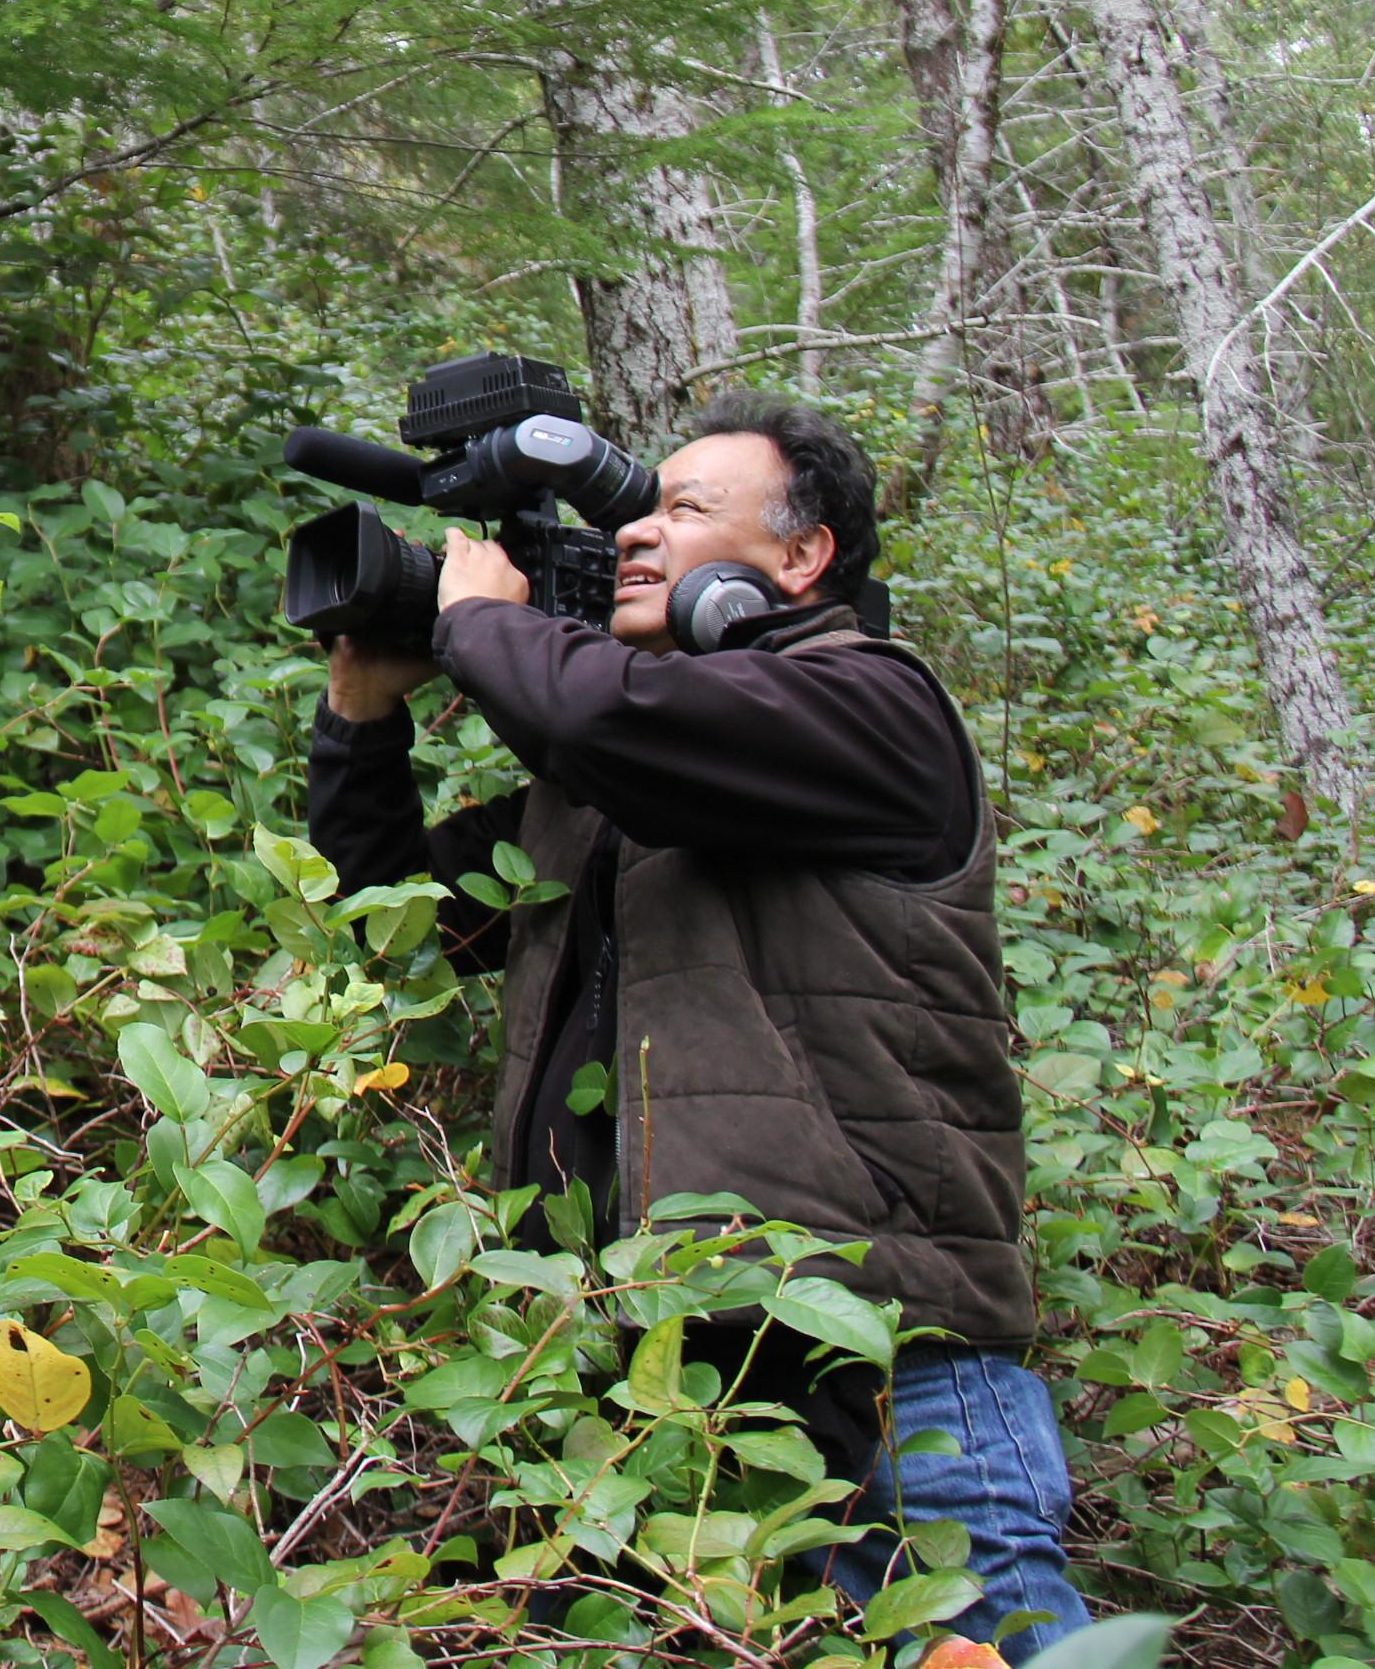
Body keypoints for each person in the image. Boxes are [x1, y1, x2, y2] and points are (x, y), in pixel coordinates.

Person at [303, 391, 1092, 1662]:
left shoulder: (873, 709)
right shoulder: (607, 792)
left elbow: (610, 718)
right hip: (656, 1360)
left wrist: (481, 619)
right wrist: (363, 710)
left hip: (888, 1347)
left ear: (802, 557)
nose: (634, 535)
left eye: (681, 510)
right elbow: (393, 909)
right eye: (635, 510)